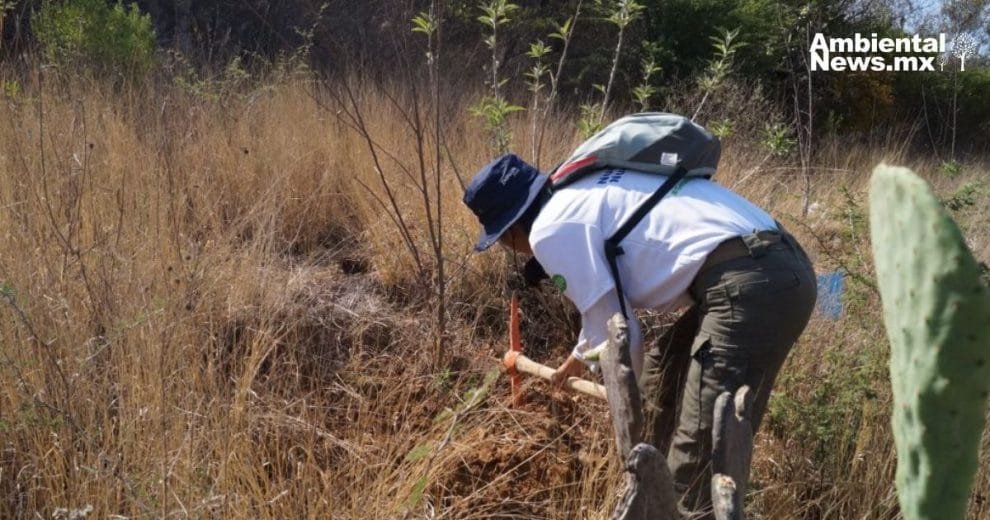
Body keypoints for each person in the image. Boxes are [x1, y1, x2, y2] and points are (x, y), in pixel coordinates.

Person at [463, 138, 816, 518]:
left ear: (511, 230)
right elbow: (605, 315)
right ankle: (648, 486)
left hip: (751, 282)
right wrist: (578, 360)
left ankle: (677, 501)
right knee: (660, 379)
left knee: (697, 450)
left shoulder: (548, 231)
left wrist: (624, 419)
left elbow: (621, 335)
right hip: (766, 262)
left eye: (501, 241)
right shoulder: (580, 191)